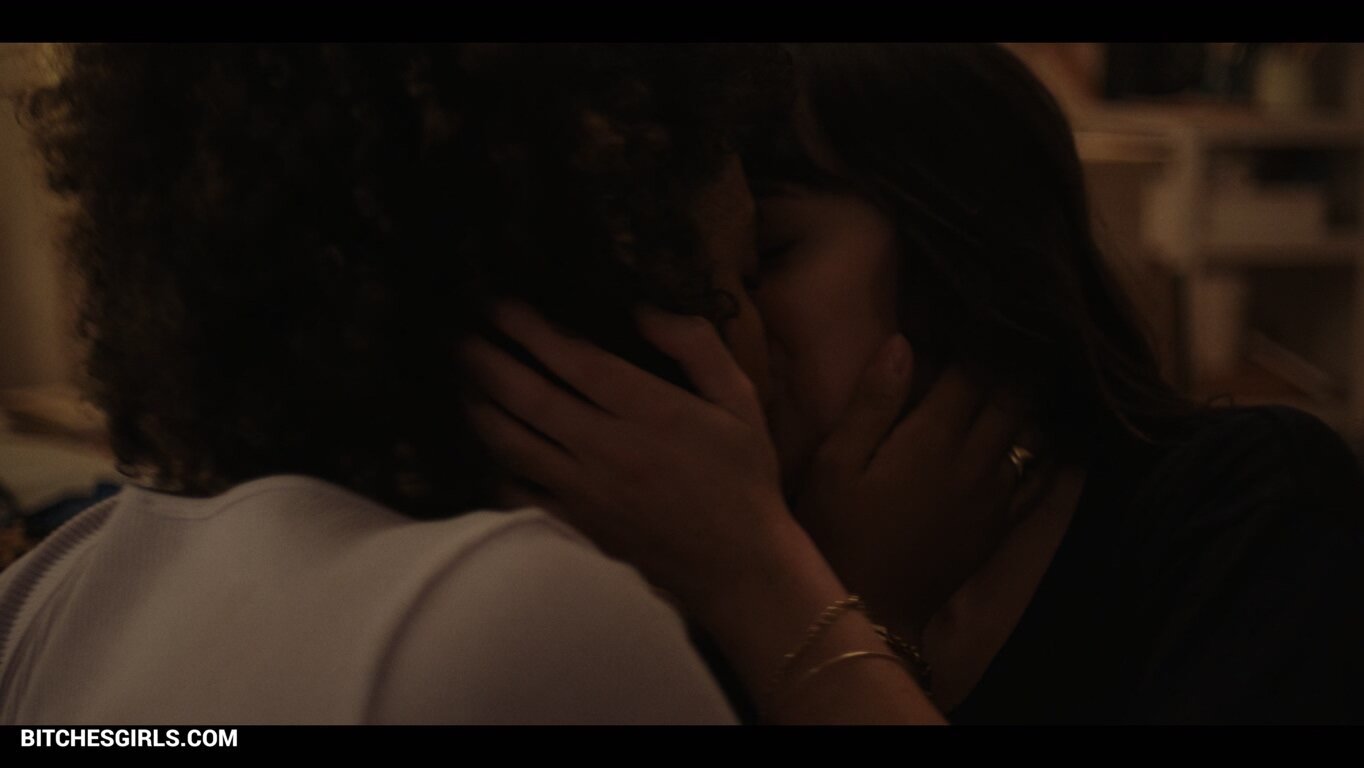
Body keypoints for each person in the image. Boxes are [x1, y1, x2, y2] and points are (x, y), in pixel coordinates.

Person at [468, 43, 1364, 724]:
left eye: (766, 255)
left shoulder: (1241, 511)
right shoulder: (676, 561)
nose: (718, 319)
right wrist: (850, 592)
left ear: (958, 255)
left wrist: (784, 598)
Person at [0, 42, 804, 724]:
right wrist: (778, 587)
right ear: (608, 310)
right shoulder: (527, 617)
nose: (768, 338)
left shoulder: (57, 583)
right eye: (746, 275)